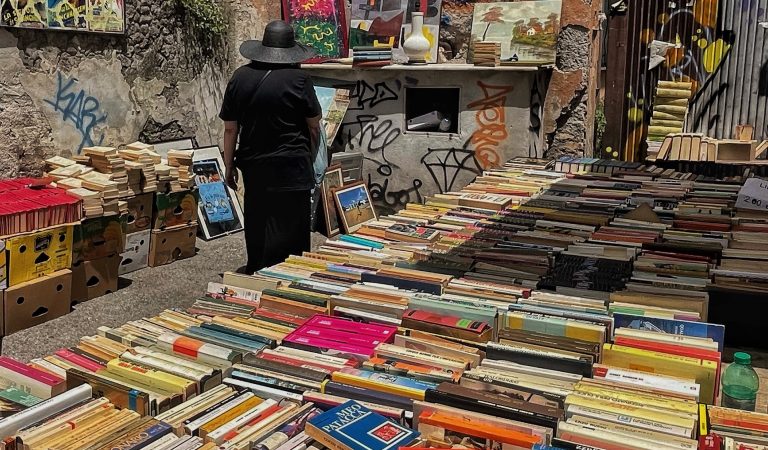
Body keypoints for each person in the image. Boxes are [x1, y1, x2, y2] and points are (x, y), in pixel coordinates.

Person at [219, 20, 322, 274]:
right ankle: (292, 275)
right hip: (293, 164)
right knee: (293, 226)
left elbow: (230, 129)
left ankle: (258, 269)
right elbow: (313, 126)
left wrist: (229, 165)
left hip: (255, 165)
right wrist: (311, 158)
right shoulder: (299, 79)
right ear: (290, 52)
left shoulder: (240, 77)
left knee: (258, 220)